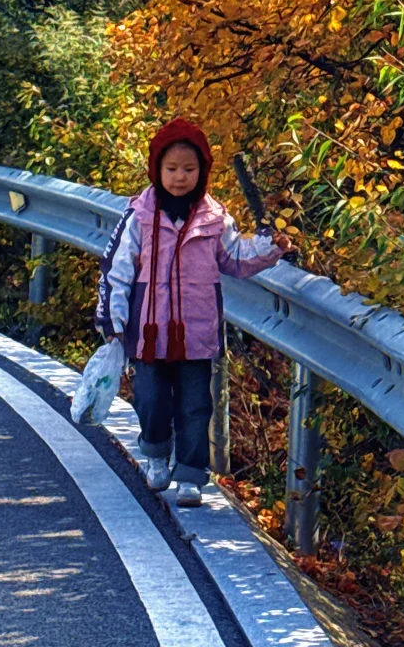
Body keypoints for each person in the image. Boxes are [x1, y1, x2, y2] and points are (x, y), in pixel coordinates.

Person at [95, 118, 290, 505]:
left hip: (197, 331)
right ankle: (155, 455)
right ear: (156, 169)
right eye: (171, 169)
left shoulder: (215, 219)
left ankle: (190, 475)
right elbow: (117, 269)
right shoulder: (139, 216)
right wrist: (114, 319)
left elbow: (234, 258)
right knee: (151, 400)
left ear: (202, 172)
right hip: (148, 330)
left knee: (196, 405)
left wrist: (270, 248)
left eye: (189, 169)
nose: (180, 177)